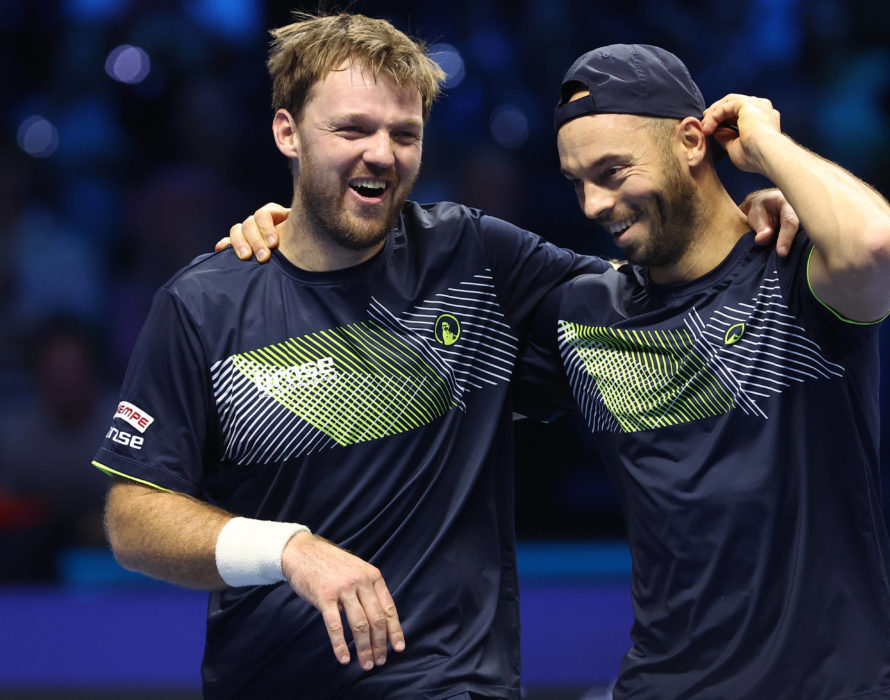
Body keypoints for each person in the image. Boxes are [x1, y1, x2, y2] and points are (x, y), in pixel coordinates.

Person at [96, 12, 793, 700]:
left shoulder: (473, 257)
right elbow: (133, 517)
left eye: (405, 134)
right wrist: (287, 549)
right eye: (352, 130)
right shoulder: (203, 304)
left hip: (453, 684)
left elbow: (658, 293)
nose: (382, 153)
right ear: (289, 133)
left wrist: (740, 217)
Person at [511, 45, 890, 698]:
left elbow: (877, 244)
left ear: (692, 141)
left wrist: (766, 146)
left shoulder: (796, 275)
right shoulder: (587, 314)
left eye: (612, 171)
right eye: (576, 182)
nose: (592, 204)